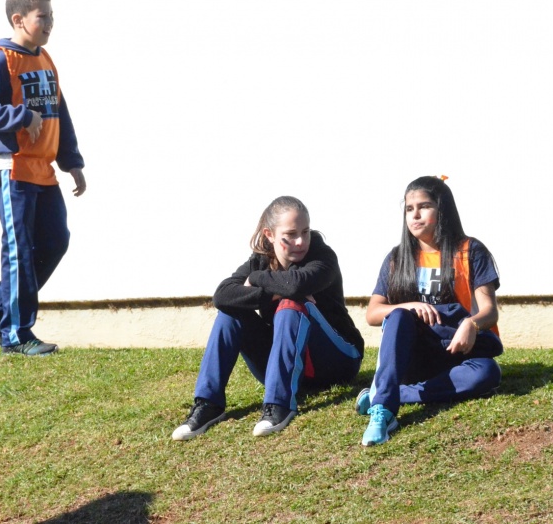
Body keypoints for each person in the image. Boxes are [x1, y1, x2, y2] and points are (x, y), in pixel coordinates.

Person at [172, 196, 364, 440]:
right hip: (287, 367)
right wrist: (272, 291)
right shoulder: (261, 259)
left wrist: (256, 279)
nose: (300, 241)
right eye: (290, 234)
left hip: (338, 362)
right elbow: (222, 295)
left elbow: (296, 285)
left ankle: (279, 404)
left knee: (292, 303)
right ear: (269, 235)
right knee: (230, 313)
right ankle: (208, 403)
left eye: (305, 232)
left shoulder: (322, 256)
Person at [0, 0, 86, 356]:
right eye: (42, 17)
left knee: (55, 240)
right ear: (18, 20)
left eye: (51, 16)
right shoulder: (1, 60)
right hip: (12, 168)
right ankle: (16, 335)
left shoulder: (45, 59)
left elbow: (59, 112)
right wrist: (20, 116)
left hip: (42, 170)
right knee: (18, 248)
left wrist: (72, 161)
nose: (49, 23)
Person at [357, 176, 503, 446]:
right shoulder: (396, 258)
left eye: (424, 207)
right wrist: (408, 305)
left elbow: (489, 311)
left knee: (487, 373)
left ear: (442, 209)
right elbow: (373, 313)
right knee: (397, 316)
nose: (415, 215)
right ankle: (383, 410)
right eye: (409, 209)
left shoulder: (470, 251)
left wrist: (471, 324)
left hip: (459, 351)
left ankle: (391, 394)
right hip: (415, 356)